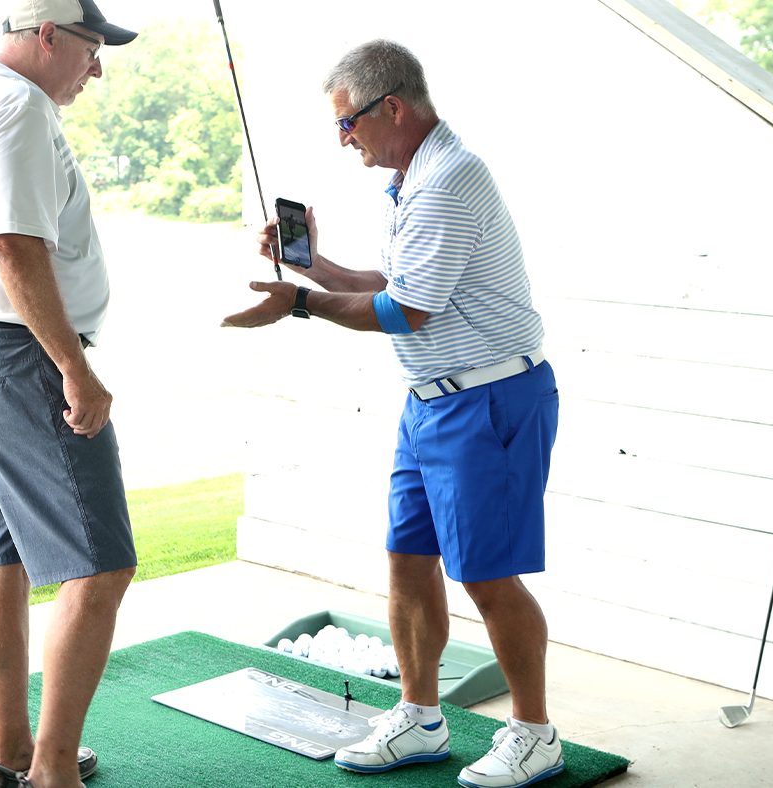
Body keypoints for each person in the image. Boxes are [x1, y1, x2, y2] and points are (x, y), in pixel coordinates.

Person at [223, 39, 563, 788]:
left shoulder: (448, 181)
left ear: (393, 108)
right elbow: (392, 282)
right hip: (433, 404)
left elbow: (404, 309)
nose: (343, 138)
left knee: (489, 577)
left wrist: (302, 305)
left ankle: (535, 733)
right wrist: (310, 266)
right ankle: (421, 718)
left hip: (489, 400)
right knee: (409, 562)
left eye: (348, 123)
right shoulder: (415, 178)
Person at [0, 0, 138, 788]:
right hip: (20, 360)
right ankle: (51, 773)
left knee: (3, 556)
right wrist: (74, 369)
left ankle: (14, 757)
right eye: (91, 48)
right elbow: (12, 246)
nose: (97, 69)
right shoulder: (18, 110)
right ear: (49, 35)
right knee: (101, 566)